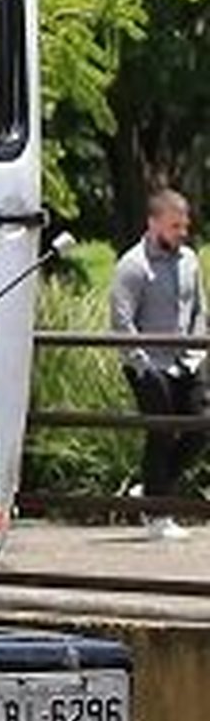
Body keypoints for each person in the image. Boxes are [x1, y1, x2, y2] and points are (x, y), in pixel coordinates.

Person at [109, 188, 206, 537]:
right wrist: (143, 364)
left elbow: (198, 309)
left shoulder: (190, 260)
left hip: (187, 360)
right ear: (153, 224)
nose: (182, 233)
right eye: (174, 226)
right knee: (162, 433)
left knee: (202, 427)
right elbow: (122, 321)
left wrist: (197, 351)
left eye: (184, 226)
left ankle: (151, 490)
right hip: (148, 364)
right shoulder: (133, 266)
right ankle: (157, 515)